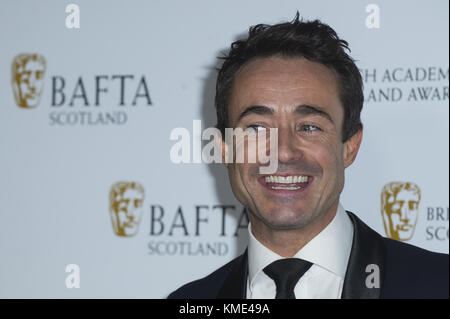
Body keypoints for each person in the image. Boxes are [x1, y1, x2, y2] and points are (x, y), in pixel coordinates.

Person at [168, 13, 448, 299]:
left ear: (349, 145)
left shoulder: (440, 285)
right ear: (224, 148)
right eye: (257, 127)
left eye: (310, 127)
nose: (284, 152)